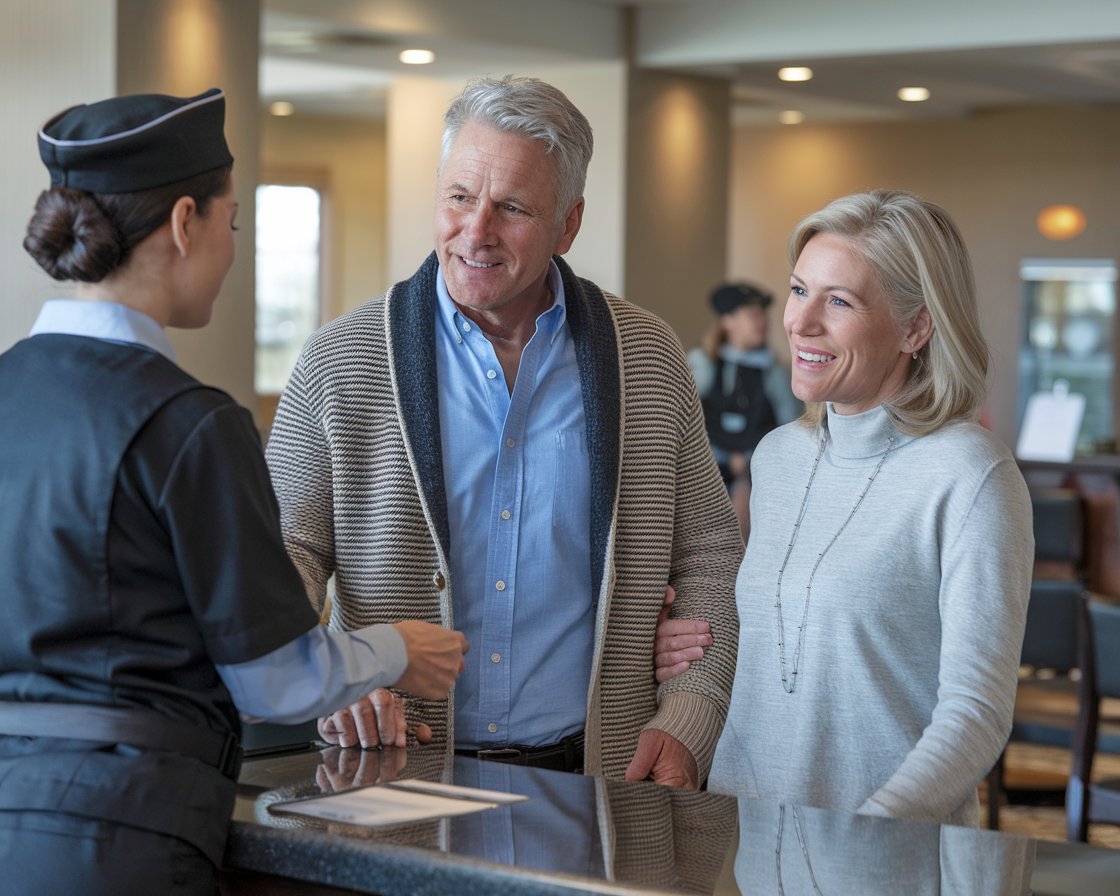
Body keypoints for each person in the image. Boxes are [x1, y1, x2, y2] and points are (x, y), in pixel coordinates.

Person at [0, 88, 467, 895]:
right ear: (186, 223)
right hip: (121, 832)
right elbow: (272, 681)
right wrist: (400, 649)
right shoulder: (190, 423)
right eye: (233, 222)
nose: (231, 246)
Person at [265, 75, 743, 788]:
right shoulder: (341, 358)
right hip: (392, 781)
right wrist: (329, 677)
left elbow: (707, 555)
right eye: (459, 196)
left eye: (512, 208)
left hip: (599, 782)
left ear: (568, 224)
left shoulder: (645, 354)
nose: (476, 231)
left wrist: (690, 716)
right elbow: (278, 558)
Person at [707, 189, 1033, 825]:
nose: (800, 323)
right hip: (743, 851)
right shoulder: (779, 457)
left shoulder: (970, 474)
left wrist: (872, 832)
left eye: (839, 301)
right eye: (799, 290)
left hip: (887, 862)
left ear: (916, 327)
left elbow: (976, 714)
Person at [689, 281, 802, 538]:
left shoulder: (775, 372)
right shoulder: (703, 363)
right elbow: (686, 421)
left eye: (763, 314)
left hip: (757, 467)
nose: (762, 321)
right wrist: (723, 457)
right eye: (752, 315)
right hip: (708, 464)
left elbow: (791, 427)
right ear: (728, 321)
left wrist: (749, 458)